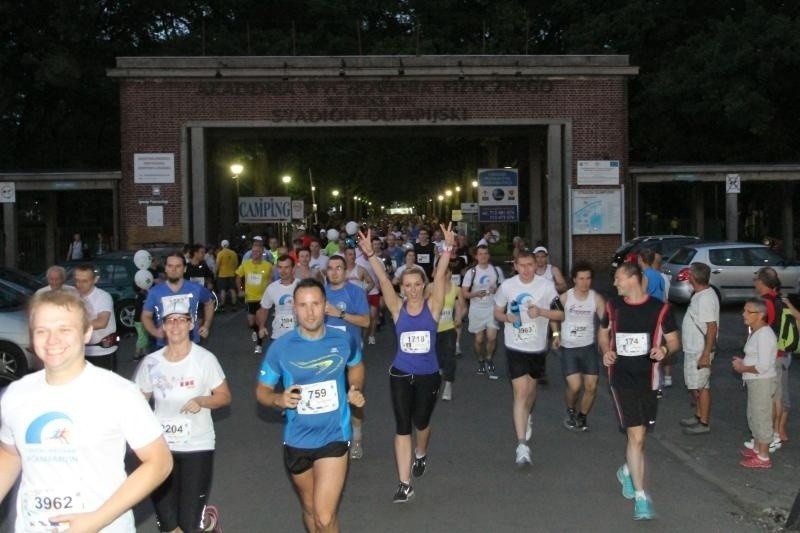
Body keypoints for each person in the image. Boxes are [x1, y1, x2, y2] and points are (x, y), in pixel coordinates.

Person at [0, 290, 172, 532]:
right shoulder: (17, 394)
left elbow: (160, 462)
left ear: (86, 332)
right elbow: (9, 454)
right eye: (42, 331)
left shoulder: (119, 393)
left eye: (64, 330)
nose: (52, 340)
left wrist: (96, 519)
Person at [256, 279, 365, 532]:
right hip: (298, 439)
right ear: (294, 308)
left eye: (315, 303)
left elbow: (356, 366)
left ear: (325, 305)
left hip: (334, 435)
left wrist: (355, 388)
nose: (310, 311)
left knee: (325, 516)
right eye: (303, 305)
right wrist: (277, 399)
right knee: (310, 509)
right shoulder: (281, 348)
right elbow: (262, 390)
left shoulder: (342, 339)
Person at [357, 224, 453, 503]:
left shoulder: (433, 307)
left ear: (424, 286)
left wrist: (446, 249)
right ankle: (404, 483)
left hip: (429, 375)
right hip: (400, 373)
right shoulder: (397, 308)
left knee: (421, 423)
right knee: (402, 426)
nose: (412, 289)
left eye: (417, 284)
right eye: (407, 285)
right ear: (403, 287)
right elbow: (384, 282)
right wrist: (371, 254)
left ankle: (421, 454)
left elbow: (440, 275)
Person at [135, 298, 231, 532]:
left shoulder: (204, 359)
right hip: (161, 450)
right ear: (163, 327)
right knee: (168, 524)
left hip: (197, 446)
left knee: (188, 524)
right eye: (170, 321)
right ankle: (204, 524)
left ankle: (202, 522)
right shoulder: (151, 363)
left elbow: (224, 396)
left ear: (191, 325)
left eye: (181, 320)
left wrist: (202, 400)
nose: (176, 325)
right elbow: (136, 402)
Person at [599, 262, 680, 521]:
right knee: (635, 437)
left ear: (633, 279)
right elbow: (603, 334)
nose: (615, 283)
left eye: (618, 278)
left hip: (649, 380)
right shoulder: (613, 306)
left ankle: (627, 470)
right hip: (621, 379)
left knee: (642, 438)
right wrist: (607, 351)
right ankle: (641, 497)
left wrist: (664, 351)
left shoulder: (661, 308)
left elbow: (675, 341)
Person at [493, 249, 563, 468]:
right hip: (514, 346)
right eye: (521, 265)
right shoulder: (507, 286)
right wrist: (506, 317)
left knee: (530, 392)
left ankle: (527, 415)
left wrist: (541, 312)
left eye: (530, 265)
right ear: (515, 266)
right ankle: (522, 446)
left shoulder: (546, 286)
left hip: (536, 348)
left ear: (536, 265)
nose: (526, 269)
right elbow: (497, 312)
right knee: (520, 393)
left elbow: (560, 314)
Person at [324, 254, 370, 460]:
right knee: (328, 399)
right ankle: (333, 438)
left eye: (338, 268)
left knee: (354, 397)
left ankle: (357, 439)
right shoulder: (320, 294)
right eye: (331, 268)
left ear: (345, 271)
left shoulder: (356, 292)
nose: (334, 272)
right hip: (326, 357)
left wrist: (339, 314)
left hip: (351, 357)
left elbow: (366, 322)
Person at [552, 261, 605, 431]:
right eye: (581, 278)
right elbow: (553, 316)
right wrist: (555, 334)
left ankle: (582, 417)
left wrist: (605, 343)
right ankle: (570, 409)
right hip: (569, 348)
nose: (585, 282)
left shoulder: (596, 298)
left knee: (591, 386)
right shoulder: (566, 297)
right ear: (574, 279)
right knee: (575, 386)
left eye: (588, 278)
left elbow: (605, 323)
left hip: (588, 348)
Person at [734, 297, 778, 468]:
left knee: (761, 417)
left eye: (748, 311)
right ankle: (759, 449)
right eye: (744, 310)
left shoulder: (765, 335)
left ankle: (764, 457)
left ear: (760, 315)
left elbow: (763, 366)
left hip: (762, 382)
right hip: (756, 381)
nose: (743, 314)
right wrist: (743, 362)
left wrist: (742, 368)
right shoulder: (757, 332)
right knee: (754, 415)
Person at [678, 262, 719, 435]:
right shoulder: (701, 294)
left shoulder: (706, 298)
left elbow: (712, 327)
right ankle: (698, 415)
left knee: (700, 386)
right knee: (698, 384)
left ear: (693, 278)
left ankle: (703, 422)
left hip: (699, 350)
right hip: (694, 348)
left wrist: (705, 354)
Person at [142, 253, 215, 349]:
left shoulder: (196, 288)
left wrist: (206, 325)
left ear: (184, 269)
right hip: (165, 346)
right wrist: (155, 332)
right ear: (165, 268)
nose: (173, 270)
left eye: (178, 266)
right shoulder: (155, 292)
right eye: (170, 266)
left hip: (191, 344)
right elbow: (146, 315)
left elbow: (209, 304)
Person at [750, 266, 787, 452]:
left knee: (769, 398)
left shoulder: (764, 303)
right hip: (779, 352)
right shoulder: (779, 298)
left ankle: (770, 437)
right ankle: (772, 435)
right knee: (776, 396)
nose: (754, 283)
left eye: (756, 280)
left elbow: (762, 328)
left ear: (762, 282)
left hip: (769, 354)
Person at [461, 244, 504, 379]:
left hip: (492, 308)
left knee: (492, 337)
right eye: (480, 254)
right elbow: (465, 293)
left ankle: (489, 358)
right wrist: (475, 294)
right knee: (479, 340)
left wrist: (497, 290)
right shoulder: (471, 272)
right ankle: (481, 359)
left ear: (489, 255)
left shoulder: (496, 271)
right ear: (476, 256)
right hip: (476, 309)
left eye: (485, 253)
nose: (483, 256)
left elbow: (504, 288)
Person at [74, 264, 119, 372]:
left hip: (101, 351)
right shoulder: (73, 295)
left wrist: (73, 326)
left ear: (95, 280)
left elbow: (102, 322)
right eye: (77, 280)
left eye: (84, 281)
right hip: (78, 351)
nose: (79, 284)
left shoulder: (103, 297)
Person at [235, 237, 273, 354]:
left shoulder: (268, 266)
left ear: (262, 252)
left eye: (258, 252)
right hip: (250, 297)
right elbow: (238, 278)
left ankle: (259, 345)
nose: (256, 254)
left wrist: (270, 294)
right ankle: (256, 331)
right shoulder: (246, 265)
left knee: (260, 321)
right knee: (251, 322)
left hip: (262, 299)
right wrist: (241, 289)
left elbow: (271, 281)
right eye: (254, 252)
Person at [438, 256, 466, 401]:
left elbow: (463, 307)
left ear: (450, 272)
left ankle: (448, 385)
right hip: (433, 329)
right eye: (441, 271)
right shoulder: (431, 287)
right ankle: (440, 372)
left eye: (446, 271)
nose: (444, 274)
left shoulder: (456, 289)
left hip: (449, 328)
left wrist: (459, 317)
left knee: (450, 356)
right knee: (437, 358)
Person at [257, 254, 300, 345]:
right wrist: (261, 327)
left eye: (286, 267)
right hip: (278, 336)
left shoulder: (301, 285)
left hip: (299, 336)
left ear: (293, 268)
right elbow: (264, 309)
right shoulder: (272, 288)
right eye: (280, 267)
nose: (283, 271)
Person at [216, 239, 239, 312]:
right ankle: (234, 306)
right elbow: (236, 264)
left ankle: (222, 306)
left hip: (222, 275)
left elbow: (217, 265)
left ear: (222, 245)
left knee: (222, 290)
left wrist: (215, 273)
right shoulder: (233, 253)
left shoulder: (220, 253)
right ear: (228, 245)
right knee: (232, 290)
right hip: (232, 274)